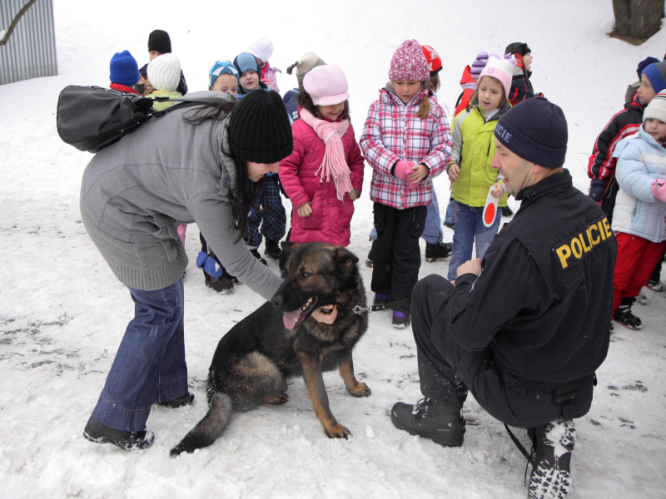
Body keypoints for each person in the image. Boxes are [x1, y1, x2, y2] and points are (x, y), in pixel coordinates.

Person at [80, 90, 336, 451]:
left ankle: (168, 389)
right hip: (116, 207)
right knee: (156, 310)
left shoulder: (229, 115)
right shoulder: (208, 181)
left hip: (134, 198)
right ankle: (113, 418)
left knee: (168, 298)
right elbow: (240, 261)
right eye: (267, 163)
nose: (275, 170)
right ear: (245, 152)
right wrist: (297, 300)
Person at [391, 98, 617, 499]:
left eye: (504, 153)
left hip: (518, 392)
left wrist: (467, 280)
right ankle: (551, 426)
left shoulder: (523, 240)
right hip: (577, 383)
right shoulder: (593, 215)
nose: (495, 162)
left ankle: (442, 414)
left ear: (536, 162)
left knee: (430, 292)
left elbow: (468, 333)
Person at [360, 39, 452, 328]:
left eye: (411, 82)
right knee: (384, 245)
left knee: (406, 250)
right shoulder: (379, 106)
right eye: (398, 81)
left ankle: (403, 300)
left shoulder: (433, 109)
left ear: (422, 79)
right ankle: (384, 291)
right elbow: (368, 141)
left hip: (416, 199)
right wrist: (392, 165)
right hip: (385, 195)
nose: (404, 88)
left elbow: (444, 147)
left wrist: (426, 167)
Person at [279, 64, 364, 247]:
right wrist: (300, 200)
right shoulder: (300, 131)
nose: (337, 108)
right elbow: (286, 167)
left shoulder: (346, 129)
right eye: (329, 104)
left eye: (340, 102)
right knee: (310, 266)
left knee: (334, 266)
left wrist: (355, 186)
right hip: (311, 213)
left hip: (339, 211)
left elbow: (356, 160)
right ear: (314, 102)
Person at [446, 55, 512, 281]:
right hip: (462, 200)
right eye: (483, 88)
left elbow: (513, 163)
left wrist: (504, 186)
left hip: (490, 203)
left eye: (494, 91)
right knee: (460, 250)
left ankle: (479, 295)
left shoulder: (509, 125)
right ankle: (453, 293)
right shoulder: (463, 119)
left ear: (504, 94)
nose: (486, 95)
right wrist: (452, 163)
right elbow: (454, 147)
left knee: (485, 254)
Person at [610, 90, 666, 329]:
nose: (653, 125)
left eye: (661, 121)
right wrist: (656, 187)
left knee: (640, 276)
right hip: (631, 225)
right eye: (650, 119)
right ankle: (604, 308)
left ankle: (624, 305)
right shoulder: (634, 144)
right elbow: (629, 178)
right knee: (620, 273)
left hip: (657, 231)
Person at [588, 59, 666, 222]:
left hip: (649, 208)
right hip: (613, 192)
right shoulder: (627, 119)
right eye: (641, 83)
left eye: (647, 85)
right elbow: (604, 147)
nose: (640, 89)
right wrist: (598, 180)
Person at [142, 29, 188, 96]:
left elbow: (181, 93)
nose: (156, 57)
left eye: (160, 53)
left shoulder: (175, 71)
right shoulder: (142, 74)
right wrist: (142, 85)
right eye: (153, 53)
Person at [504, 42, 536, 106]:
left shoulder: (524, 78)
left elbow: (526, 99)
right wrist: (517, 74)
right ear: (518, 58)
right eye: (527, 54)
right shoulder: (510, 78)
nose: (531, 57)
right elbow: (516, 98)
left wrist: (536, 99)